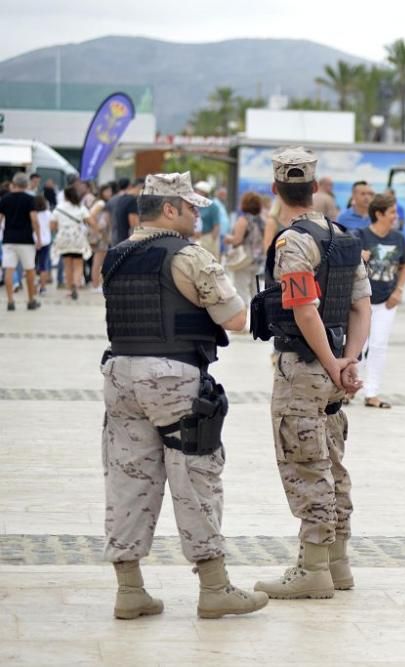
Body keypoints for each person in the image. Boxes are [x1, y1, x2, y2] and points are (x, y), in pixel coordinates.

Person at [100, 171, 267, 618]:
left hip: (119, 374)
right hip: (173, 378)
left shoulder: (115, 256)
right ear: (170, 209)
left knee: (127, 478)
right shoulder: (189, 255)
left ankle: (130, 590)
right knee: (196, 477)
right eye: (192, 206)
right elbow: (234, 318)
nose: (199, 212)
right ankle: (214, 588)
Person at [253, 147, 372, 599]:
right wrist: (349, 359)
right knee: (333, 462)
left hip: (304, 368)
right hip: (336, 366)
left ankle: (314, 570)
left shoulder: (293, 243)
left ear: (275, 188)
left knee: (307, 465)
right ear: (317, 187)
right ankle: (338, 563)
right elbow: (363, 307)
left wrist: (328, 360)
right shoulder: (344, 239)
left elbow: (304, 311)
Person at [355, 193, 405, 409]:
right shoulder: (360, 236)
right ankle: (351, 387)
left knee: (378, 345)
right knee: (359, 345)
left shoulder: (398, 238)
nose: (395, 216)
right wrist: (359, 256)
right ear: (379, 214)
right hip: (362, 301)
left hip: (387, 301)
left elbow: (404, 266)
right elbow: (346, 262)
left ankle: (372, 392)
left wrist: (399, 291)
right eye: (392, 212)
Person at [222, 191, 266, 321]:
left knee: (241, 289)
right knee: (255, 291)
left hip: (244, 259)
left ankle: (242, 321)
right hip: (258, 259)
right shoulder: (261, 220)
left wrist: (227, 238)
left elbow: (237, 240)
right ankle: (257, 322)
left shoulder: (243, 220)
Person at [1, 173, 42, 311]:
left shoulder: (5, 199)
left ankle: (10, 301)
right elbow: (34, 220)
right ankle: (31, 300)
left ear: (14, 183)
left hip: (9, 240)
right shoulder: (30, 199)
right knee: (29, 270)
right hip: (25, 240)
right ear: (26, 184)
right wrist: (38, 238)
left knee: (9, 269)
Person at [51, 185, 94, 300]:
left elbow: (52, 225)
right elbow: (90, 221)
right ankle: (76, 284)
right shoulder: (80, 207)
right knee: (78, 265)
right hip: (77, 238)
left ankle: (70, 290)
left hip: (64, 238)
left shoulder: (59, 208)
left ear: (65, 196)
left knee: (67, 265)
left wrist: (60, 230)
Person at [87, 182, 114, 290]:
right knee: (98, 261)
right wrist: (97, 228)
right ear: (102, 192)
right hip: (101, 237)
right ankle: (95, 285)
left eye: (110, 191)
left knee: (100, 261)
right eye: (106, 191)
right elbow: (90, 215)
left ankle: (97, 284)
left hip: (103, 236)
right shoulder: (101, 203)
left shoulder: (103, 203)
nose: (109, 193)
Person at [110, 178, 142, 247]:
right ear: (139, 187)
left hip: (119, 239)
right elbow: (134, 225)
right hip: (128, 242)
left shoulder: (121, 199)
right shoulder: (132, 200)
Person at [194, 181, 221, 260]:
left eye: (197, 191)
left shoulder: (212, 206)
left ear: (204, 193)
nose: (195, 192)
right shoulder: (195, 204)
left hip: (208, 237)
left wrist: (212, 241)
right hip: (197, 238)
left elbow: (216, 226)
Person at [33, 195, 53, 294]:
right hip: (46, 241)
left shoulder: (32, 213)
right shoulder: (48, 213)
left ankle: (32, 286)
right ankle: (43, 287)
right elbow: (52, 227)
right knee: (43, 265)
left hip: (33, 241)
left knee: (31, 265)